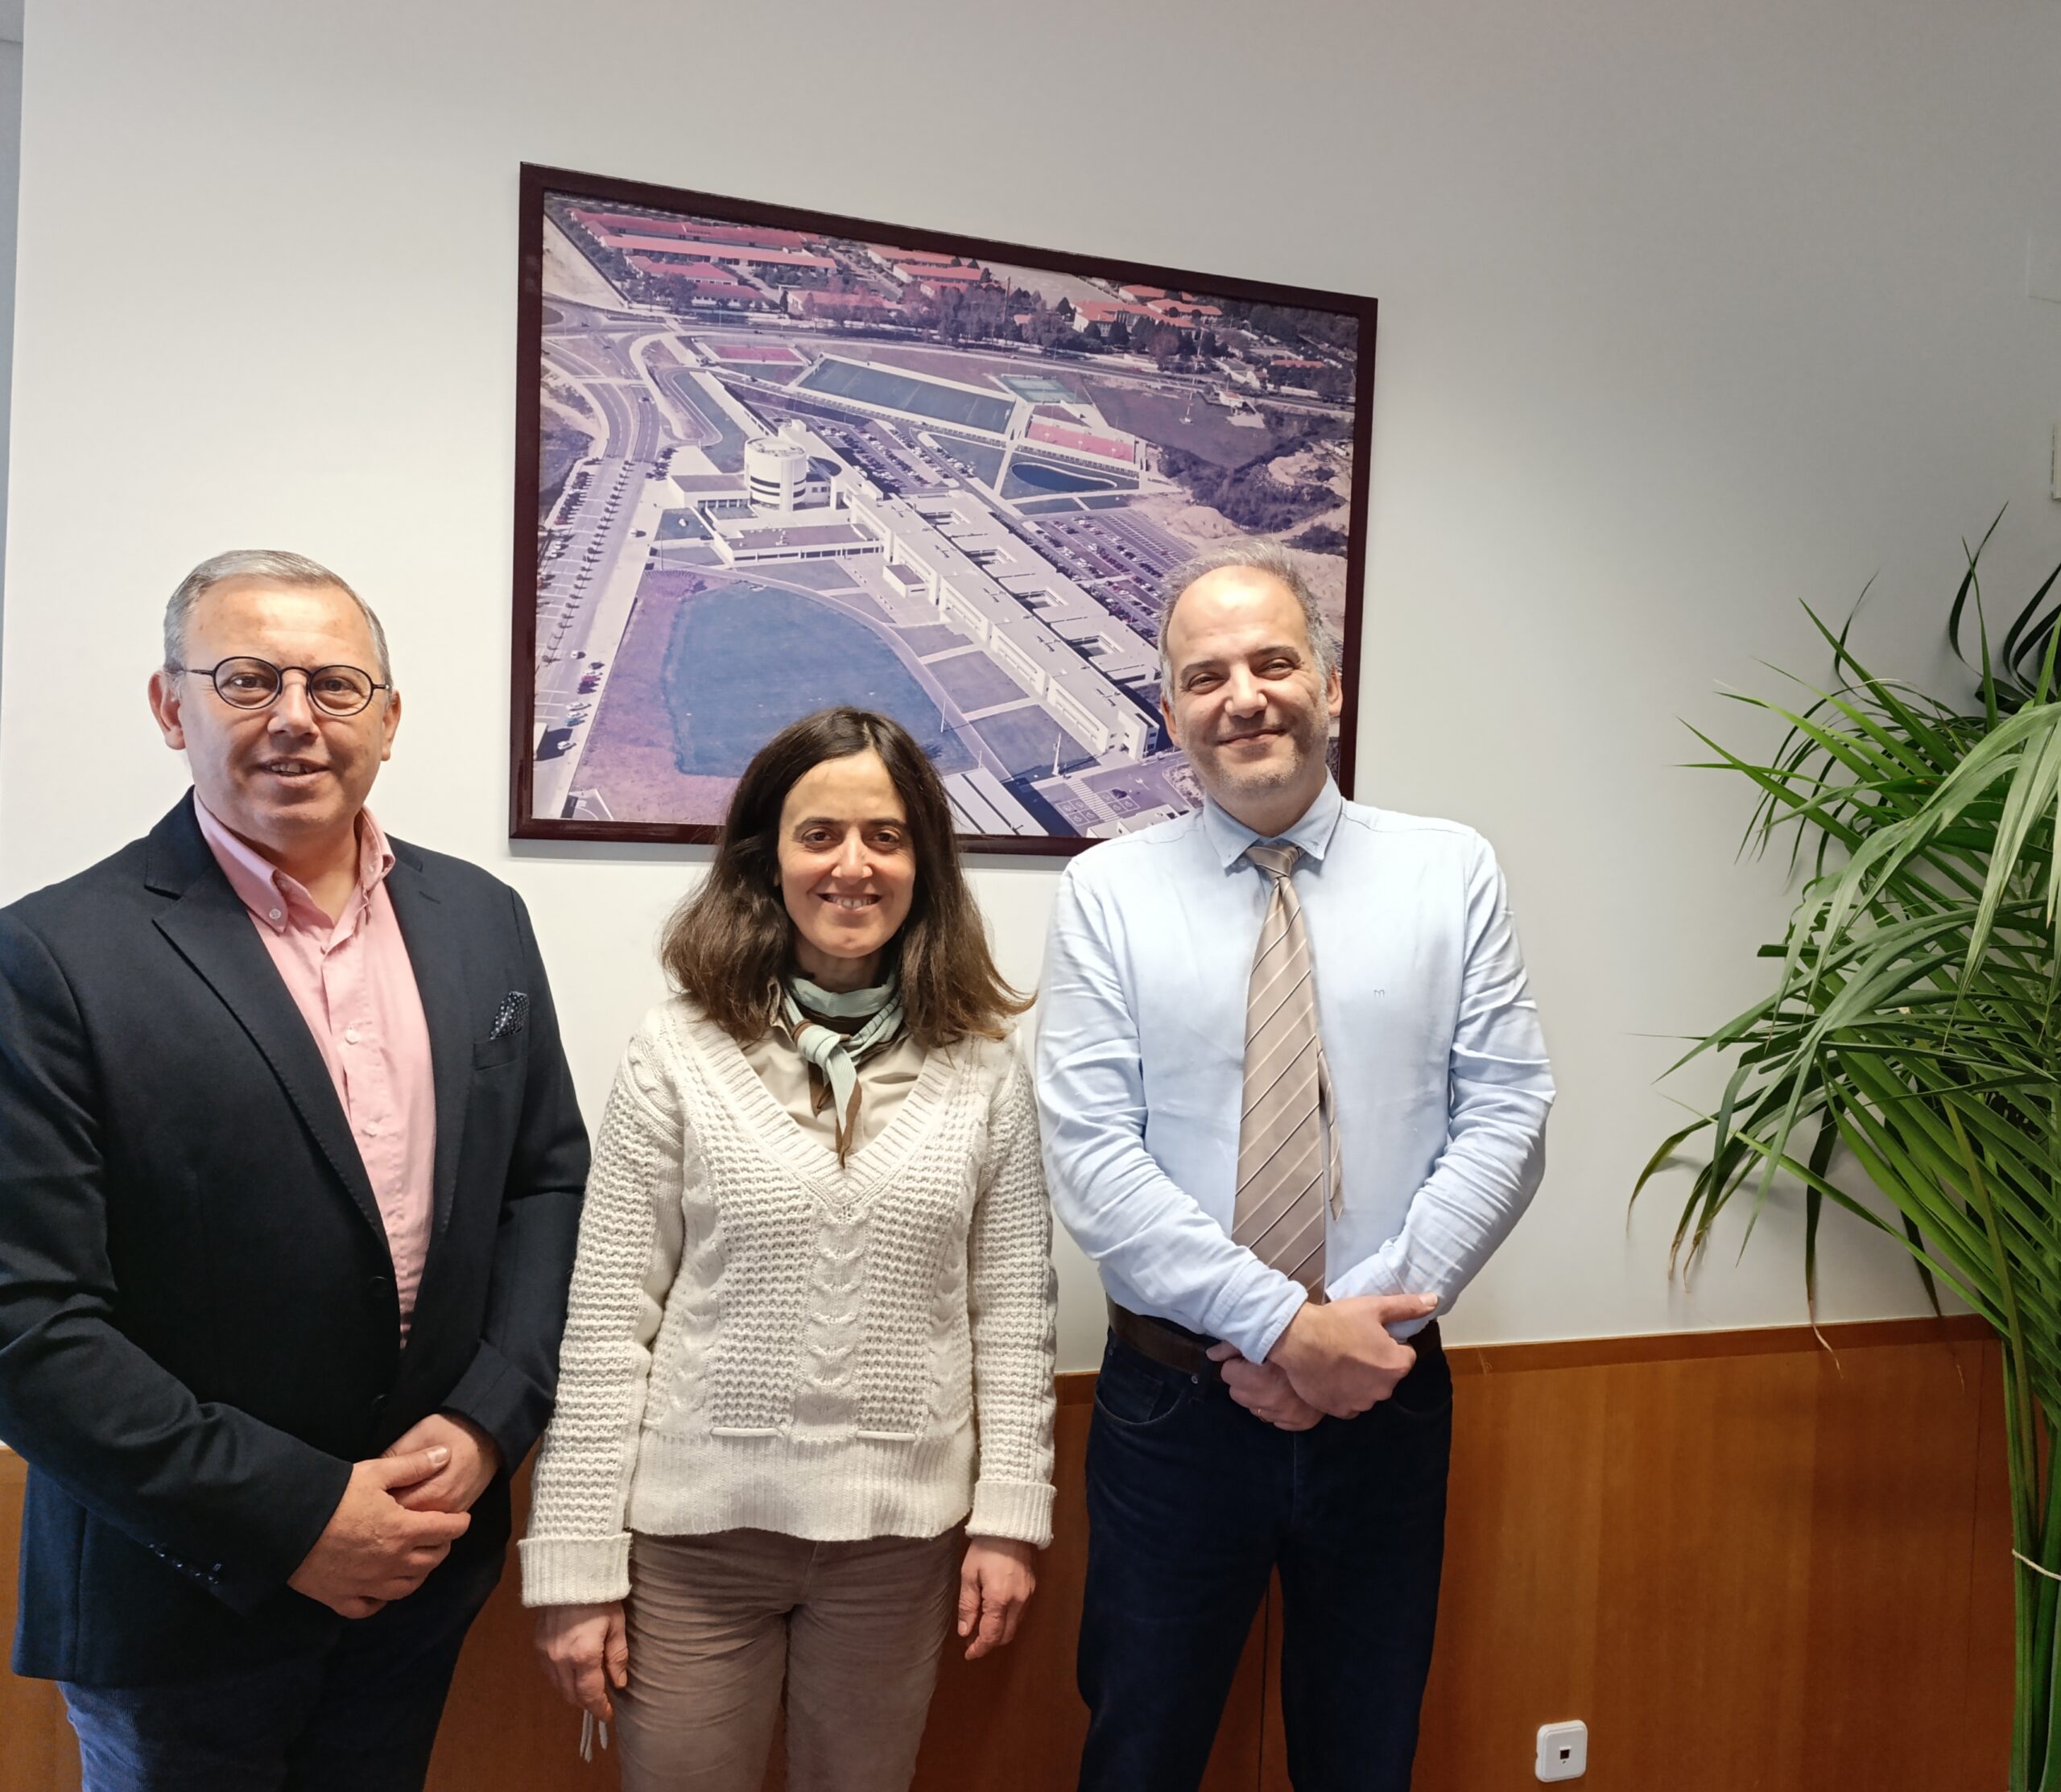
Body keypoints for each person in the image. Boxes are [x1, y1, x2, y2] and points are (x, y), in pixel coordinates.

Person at [0, 549, 589, 1791]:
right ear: (171, 706)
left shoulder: (483, 920)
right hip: (180, 1598)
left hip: (420, 1580)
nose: (293, 717)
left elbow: (544, 1183)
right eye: (246, 678)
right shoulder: (47, 958)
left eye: (333, 684)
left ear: (388, 716)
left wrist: (488, 1421)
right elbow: (27, 1322)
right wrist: (299, 1514)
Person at [1037, 542, 1555, 1792]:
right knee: (1139, 1752)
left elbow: (1508, 1113)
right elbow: (1094, 1157)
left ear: (1330, 682)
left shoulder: (1450, 870)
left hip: (1387, 1394)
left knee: (1364, 1753)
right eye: (1205, 676)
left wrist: (1348, 1338)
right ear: (1172, 712)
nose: (1243, 697)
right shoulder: (1106, 893)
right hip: (1173, 1407)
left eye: (1272, 662)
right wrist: (1284, 1328)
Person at [522, 705, 1056, 1792]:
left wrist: (1011, 1519)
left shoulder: (985, 1069)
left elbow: (1011, 1313)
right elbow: (609, 1317)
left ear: (924, 863)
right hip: (695, 1546)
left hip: (899, 1548)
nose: (853, 865)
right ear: (769, 859)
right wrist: (573, 1563)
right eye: (820, 834)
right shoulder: (677, 1052)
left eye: (886, 836)